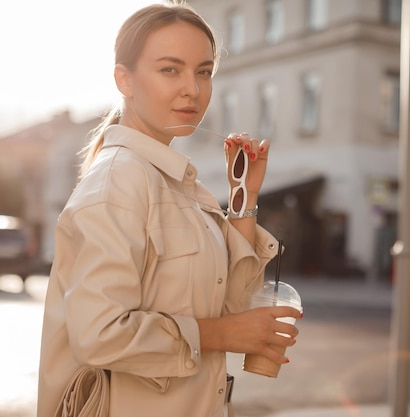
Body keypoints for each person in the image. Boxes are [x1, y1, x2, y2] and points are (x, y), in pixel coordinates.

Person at [37, 3, 301, 417]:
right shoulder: (118, 183)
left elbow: (227, 306)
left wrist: (243, 199)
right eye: (169, 70)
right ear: (124, 78)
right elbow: (98, 335)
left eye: (203, 71)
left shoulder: (178, 184)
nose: (192, 90)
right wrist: (222, 334)